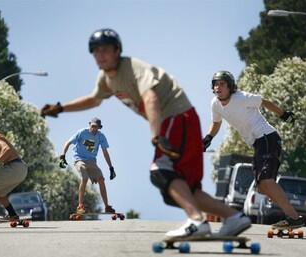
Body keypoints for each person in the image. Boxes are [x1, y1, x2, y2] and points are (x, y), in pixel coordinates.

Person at [40, 28, 251, 238]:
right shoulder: (105, 79)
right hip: (181, 122)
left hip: (176, 117)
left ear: (117, 51)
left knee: (161, 171)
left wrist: (156, 136)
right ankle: (233, 217)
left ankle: (197, 221)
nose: (100, 56)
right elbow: (94, 99)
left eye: (105, 50)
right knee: (182, 188)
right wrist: (61, 108)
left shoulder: (133, 68)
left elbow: (151, 98)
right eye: (95, 51)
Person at [202, 70, 304, 229]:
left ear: (230, 87)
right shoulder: (215, 104)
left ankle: (294, 218)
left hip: (267, 138)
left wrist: (283, 114)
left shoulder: (241, 98)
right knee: (261, 187)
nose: (218, 87)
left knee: (266, 181)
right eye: (215, 84)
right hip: (257, 144)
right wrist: (208, 138)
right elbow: (216, 123)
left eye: (222, 84)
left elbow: (264, 102)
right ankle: (289, 214)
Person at [60, 117, 117, 214]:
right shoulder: (82, 132)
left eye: (97, 127)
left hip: (92, 162)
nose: (94, 129)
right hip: (79, 160)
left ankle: (107, 206)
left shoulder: (101, 136)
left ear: (99, 127)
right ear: (89, 125)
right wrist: (62, 156)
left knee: (101, 180)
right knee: (85, 178)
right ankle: (80, 206)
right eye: (93, 126)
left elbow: (105, 152)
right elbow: (68, 142)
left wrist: (111, 167)